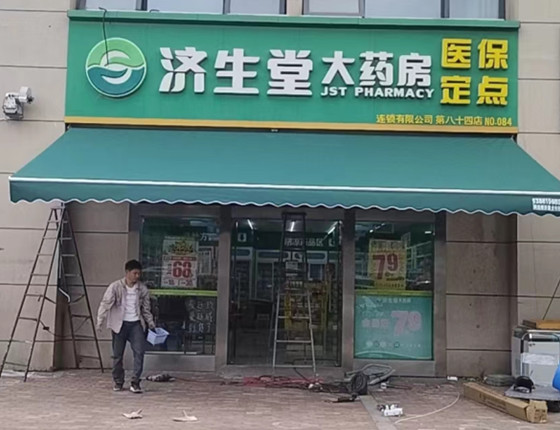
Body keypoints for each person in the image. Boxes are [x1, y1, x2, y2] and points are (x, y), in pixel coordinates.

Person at [96, 259, 155, 393]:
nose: (137, 276)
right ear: (127, 272)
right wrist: (100, 320)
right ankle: (118, 381)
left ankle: (135, 381)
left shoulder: (142, 289)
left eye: (139, 274)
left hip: (136, 324)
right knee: (117, 355)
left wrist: (150, 323)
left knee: (139, 352)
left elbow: (146, 309)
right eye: (134, 273)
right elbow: (105, 304)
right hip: (119, 324)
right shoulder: (115, 287)